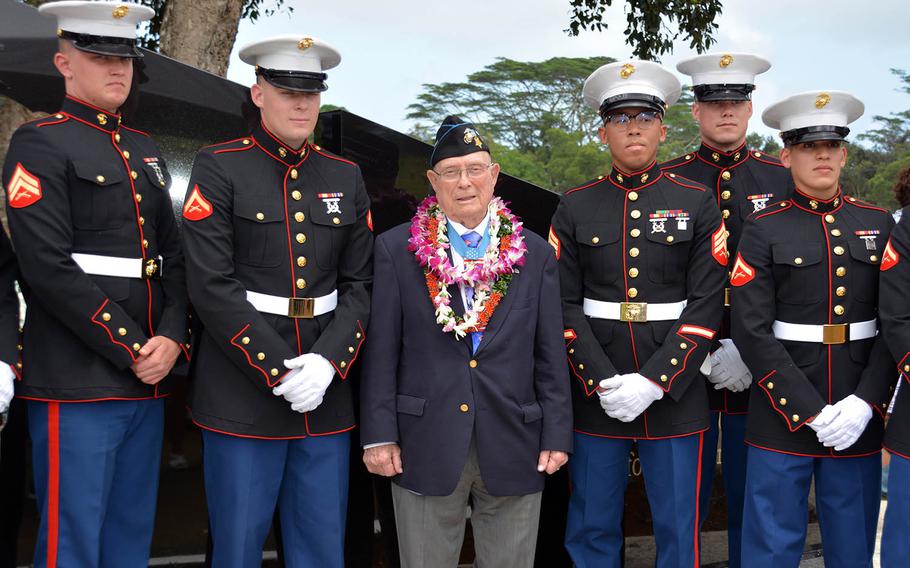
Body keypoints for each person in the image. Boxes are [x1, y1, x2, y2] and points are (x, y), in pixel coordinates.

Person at [1, 2, 189, 565]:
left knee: (131, 537)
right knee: (72, 543)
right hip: (76, 381)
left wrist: (173, 339)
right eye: (99, 55)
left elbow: (174, 259)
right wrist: (135, 347)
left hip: (147, 379)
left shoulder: (145, 149)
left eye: (125, 57)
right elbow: (47, 268)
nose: (117, 69)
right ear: (64, 62)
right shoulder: (39, 144)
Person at [181, 35, 372, 567]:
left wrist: (327, 363)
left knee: (320, 551)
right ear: (258, 92)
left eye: (311, 92)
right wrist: (278, 368)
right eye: (287, 90)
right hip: (243, 390)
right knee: (238, 549)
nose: (301, 103)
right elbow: (210, 284)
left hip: (323, 393)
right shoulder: (219, 167)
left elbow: (361, 285)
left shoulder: (344, 175)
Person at [360, 115, 572, 567]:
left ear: (494, 176)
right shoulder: (397, 249)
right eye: (451, 172)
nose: (464, 183)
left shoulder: (534, 253)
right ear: (433, 182)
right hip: (424, 440)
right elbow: (381, 351)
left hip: (516, 438)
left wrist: (557, 432)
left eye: (475, 169)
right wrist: (378, 436)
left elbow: (550, 352)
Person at [550, 60, 726, 568]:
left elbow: (707, 300)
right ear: (603, 129)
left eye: (644, 117)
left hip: (675, 391)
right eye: (621, 118)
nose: (633, 127)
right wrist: (602, 380)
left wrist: (655, 381)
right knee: (590, 525)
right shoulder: (575, 206)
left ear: (663, 128)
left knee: (678, 528)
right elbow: (561, 302)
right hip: (596, 389)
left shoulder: (696, 202)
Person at [732, 91, 894, 567]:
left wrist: (866, 402)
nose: (821, 155)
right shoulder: (762, 227)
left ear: (844, 152)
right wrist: (807, 409)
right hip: (781, 409)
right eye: (807, 145)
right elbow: (750, 328)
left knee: (852, 544)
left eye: (831, 145)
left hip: (855, 407)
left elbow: (895, 323)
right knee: (771, 546)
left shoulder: (878, 223)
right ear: (786, 156)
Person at [660, 52, 792, 565]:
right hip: (680, 356)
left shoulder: (782, 179)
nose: (727, 112)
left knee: (754, 494)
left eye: (736, 101)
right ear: (695, 111)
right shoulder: (667, 180)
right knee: (679, 500)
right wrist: (703, 344)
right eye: (714, 103)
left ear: (751, 105)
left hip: (763, 359)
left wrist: (752, 350)